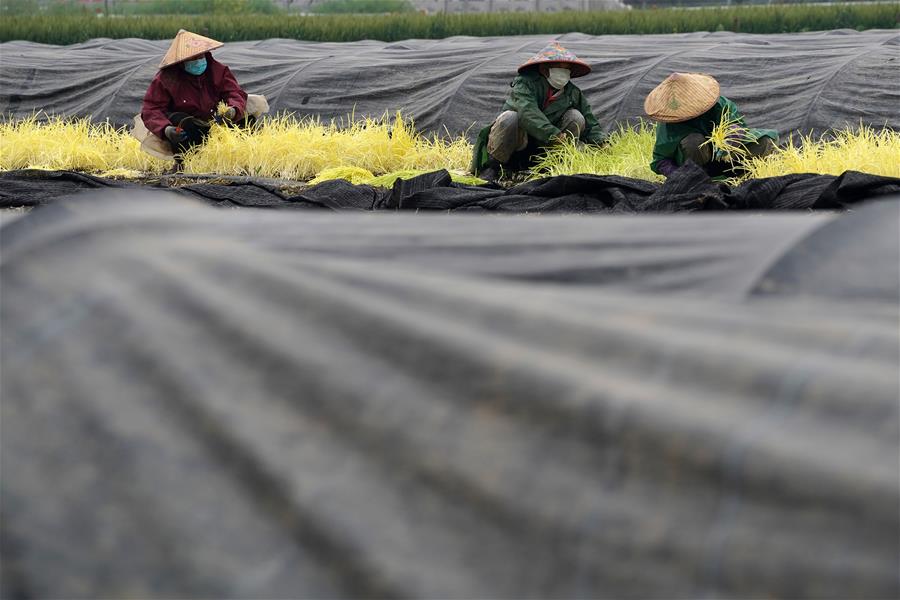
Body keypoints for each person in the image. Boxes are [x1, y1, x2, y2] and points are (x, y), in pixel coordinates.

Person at [472, 41, 608, 181]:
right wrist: (553, 135)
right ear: (544, 69)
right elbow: (527, 112)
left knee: (576, 117)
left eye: (566, 69)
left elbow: (589, 118)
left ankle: (553, 166)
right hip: (519, 142)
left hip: (545, 147)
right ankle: (494, 167)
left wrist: (601, 142)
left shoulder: (572, 92)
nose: (563, 72)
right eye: (559, 67)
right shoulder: (525, 84)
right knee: (509, 117)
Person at [644, 72, 778, 179]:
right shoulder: (670, 124)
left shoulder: (719, 105)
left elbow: (736, 125)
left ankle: (742, 173)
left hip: (728, 157)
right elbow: (660, 160)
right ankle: (704, 178)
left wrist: (731, 140)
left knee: (764, 141)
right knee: (693, 142)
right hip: (696, 166)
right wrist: (679, 176)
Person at [141, 29, 249, 159]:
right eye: (193, 58)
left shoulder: (218, 70)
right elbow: (151, 109)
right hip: (188, 130)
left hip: (217, 121)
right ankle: (185, 160)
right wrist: (166, 129)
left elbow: (234, 92)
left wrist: (232, 110)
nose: (198, 61)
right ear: (182, 61)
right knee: (180, 121)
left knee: (248, 118)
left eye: (201, 56)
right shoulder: (166, 78)